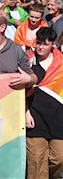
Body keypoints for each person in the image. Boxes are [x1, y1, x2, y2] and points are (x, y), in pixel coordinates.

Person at [25, 27, 63, 179]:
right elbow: (19, 91)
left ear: (52, 44)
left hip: (58, 118)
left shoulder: (61, 64)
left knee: (59, 159)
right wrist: (26, 112)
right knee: (36, 160)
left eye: (45, 44)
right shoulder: (27, 61)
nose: (40, 47)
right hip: (35, 118)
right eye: (38, 43)